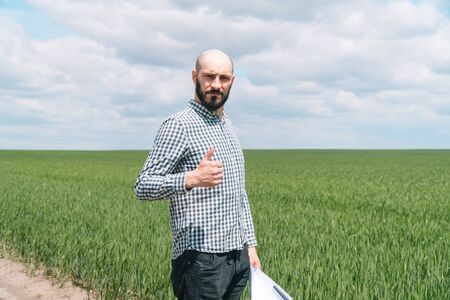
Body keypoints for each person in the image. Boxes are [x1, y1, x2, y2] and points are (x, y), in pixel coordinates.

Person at [134, 49, 261, 299]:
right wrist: (190, 179)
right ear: (195, 77)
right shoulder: (179, 125)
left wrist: (250, 246)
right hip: (200, 261)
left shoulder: (227, 125)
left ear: (232, 82)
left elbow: (239, 191)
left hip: (237, 258)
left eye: (223, 78)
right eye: (209, 76)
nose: (216, 85)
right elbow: (143, 186)